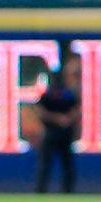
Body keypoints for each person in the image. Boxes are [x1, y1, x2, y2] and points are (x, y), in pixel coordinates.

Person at [35, 64, 79, 194]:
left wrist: (64, 119)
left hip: (59, 133)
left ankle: (61, 190)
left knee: (60, 164)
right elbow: (42, 112)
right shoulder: (61, 94)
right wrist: (61, 119)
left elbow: (41, 112)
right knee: (51, 163)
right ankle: (46, 189)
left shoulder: (62, 94)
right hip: (55, 132)